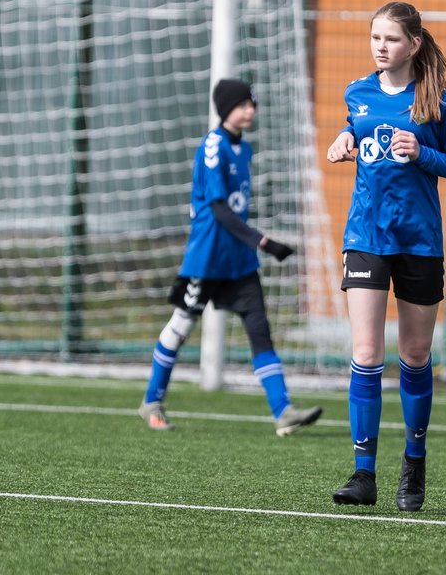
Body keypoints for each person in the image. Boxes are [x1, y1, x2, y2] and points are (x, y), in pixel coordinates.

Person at [324, 1, 446, 511]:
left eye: (389, 39)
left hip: (419, 242)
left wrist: (424, 153)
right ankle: (362, 472)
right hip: (366, 236)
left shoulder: (438, 101)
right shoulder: (358, 93)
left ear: (412, 44)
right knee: (366, 355)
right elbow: (356, 129)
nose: (379, 47)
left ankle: (414, 463)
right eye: (373, 38)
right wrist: (345, 138)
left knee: (413, 355)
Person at [138, 78, 322, 436]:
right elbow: (219, 209)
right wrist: (264, 242)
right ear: (226, 109)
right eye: (242, 104)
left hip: (239, 261)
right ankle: (152, 401)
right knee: (180, 327)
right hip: (206, 258)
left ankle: (283, 411)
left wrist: (253, 245)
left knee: (260, 330)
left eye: (252, 104)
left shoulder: (245, 149)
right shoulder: (213, 146)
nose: (250, 110)